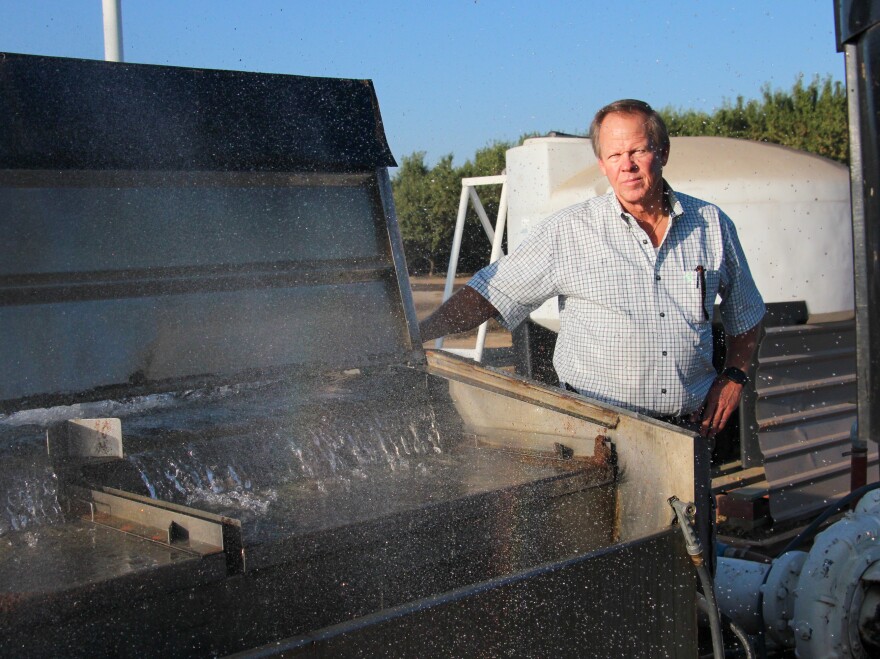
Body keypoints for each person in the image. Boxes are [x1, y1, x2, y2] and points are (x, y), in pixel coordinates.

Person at [420, 99, 764, 438]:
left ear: (663, 152)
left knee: (687, 499)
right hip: (598, 432)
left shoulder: (711, 225)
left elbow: (746, 311)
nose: (626, 165)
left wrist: (734, 375)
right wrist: (417, 333)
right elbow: (491, 294)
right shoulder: (570, 230)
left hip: (690, 429)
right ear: (602, 163)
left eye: (638, 151)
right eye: (615, 155)